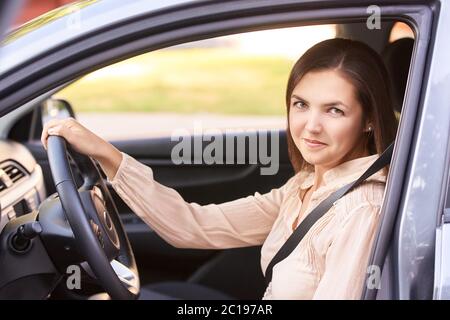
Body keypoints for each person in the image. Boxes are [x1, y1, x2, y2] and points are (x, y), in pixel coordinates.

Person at [41, 38, 398, 299]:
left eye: (334, 110)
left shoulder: (360, 209)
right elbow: (192, 226)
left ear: (367, 120)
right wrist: (104, 153)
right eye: (301, 104)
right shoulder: (304, 186)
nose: (311, 126)